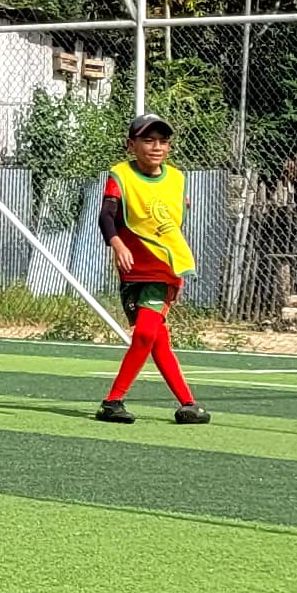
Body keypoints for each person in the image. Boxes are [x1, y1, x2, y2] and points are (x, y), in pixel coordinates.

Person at [96, 116, 206, 425]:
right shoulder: (120, 175)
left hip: (165, 268)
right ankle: (189, 404)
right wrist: (117, 244)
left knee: (145, 332)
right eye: (148, 140)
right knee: (156, 338)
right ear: (131, 145)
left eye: (163, 141)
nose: (156, 147)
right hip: (133, 270)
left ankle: (113, 400)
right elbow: (106, 216)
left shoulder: (176, 179)